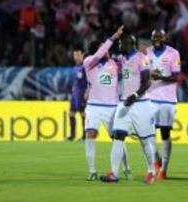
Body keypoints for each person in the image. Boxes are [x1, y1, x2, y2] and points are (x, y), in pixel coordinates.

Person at [100, 33, 156, 184]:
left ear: (129, 44)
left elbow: (147, 82)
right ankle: (114, 173)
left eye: (120, 44)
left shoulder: (141, 59)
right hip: (124, 103)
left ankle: (151, 171)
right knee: (118, 136)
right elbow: (110, 60)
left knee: (144, 140)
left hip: (140, 104)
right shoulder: (122, 58)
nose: (119, 46)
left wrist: (136, 94)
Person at [83, 26, 132, 181]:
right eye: (103, 48)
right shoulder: (89, 62)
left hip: (112, 107)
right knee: (90, 134)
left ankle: (126, 168)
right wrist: (113, 37)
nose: (106, 50)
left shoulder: (115, 64)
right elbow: (98, 54)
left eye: (107, 48)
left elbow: (130, 65)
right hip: (94, 107)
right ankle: (92, 171)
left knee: (117, 138)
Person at [145, 29, 181, 179]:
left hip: (167, 99)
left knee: (165, 133)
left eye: (159, 37)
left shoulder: (173, 53)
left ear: (164, 37)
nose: (156, 40)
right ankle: (156, 158)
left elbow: (176, 76)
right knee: (146, 133)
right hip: (149, 98)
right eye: (154, 37)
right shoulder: (146, 52)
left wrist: (161, 76)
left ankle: (164, 170)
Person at [67, 45, 87, 141]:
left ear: (83, 55)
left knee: (82, 114)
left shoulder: (85, 66)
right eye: (75, 55)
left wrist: (87, 92)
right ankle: (72, 135)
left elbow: (89, 81)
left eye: (78, 54)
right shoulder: (75, 67)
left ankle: (84, 135)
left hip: (82, 93)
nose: (76, 57)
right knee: (71, 113)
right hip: (74, 94)